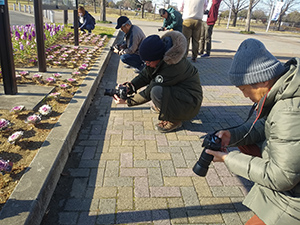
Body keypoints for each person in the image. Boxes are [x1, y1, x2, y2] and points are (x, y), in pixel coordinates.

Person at [206, 38, 300, 225]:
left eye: (244, 89)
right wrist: (233, 136)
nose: (245, 96)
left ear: (263, 80)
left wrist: (228, 159)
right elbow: (268, 125)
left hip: (293, 192)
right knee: (246, 144)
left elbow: (283, 177)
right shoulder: (287, 87)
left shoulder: (289, 109)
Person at [113, 31, 203, 133]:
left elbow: (148, 92)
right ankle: (165, 107)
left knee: (156, 91)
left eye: (148, 62)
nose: (147, 64)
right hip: (181, 92)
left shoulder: (172, 65)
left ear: (158, 57)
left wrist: (127, 101)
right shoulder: (161, 55)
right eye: (145, 61)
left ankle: (174, 120)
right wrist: (130, 87)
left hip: (190, 102)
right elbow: (145, 75)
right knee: (156, 89)